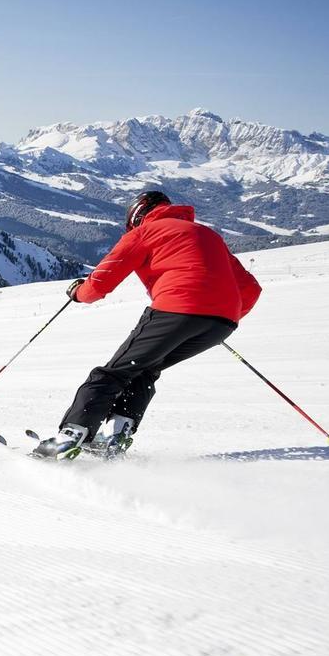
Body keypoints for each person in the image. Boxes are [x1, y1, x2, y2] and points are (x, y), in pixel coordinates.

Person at [33, 191, 262, 460]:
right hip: (221, 323)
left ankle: (68, 438)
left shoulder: (144, 233)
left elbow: (100, 283)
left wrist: (78, 293)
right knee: (144, 369)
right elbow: (251, 289)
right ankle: (114, 437)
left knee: (110, 374)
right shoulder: (207, 235)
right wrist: (217, 314)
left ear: (136, 216)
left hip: (176, 311)